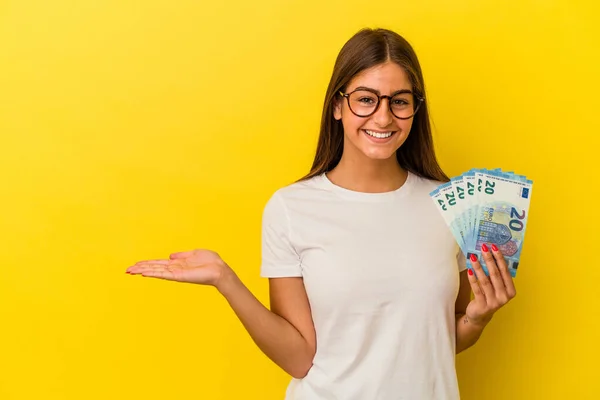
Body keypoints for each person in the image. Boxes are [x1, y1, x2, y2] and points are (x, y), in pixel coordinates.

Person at [126, 27, 517, 400]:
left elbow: (438, 339)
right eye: (366, 99)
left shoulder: (451, 206)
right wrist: (225, 280)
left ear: (415, 108)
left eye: (399, 101)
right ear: (337, 106)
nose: (383, 118)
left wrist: (477, 319)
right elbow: (299, 357)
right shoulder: (291, 208)